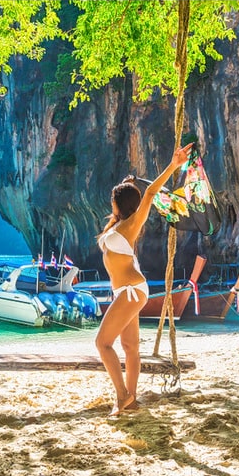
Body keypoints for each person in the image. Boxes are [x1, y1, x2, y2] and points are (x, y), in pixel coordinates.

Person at [95, 143, 193, 416]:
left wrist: (173, 165)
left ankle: (122, 396)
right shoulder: (117, 225)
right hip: (127, 292)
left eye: (114, 201)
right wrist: (127, 185)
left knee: (102, 343)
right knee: (130, 348)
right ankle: (132, 400)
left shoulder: (131, 225)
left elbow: (150, 193)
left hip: (130, 291)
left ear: (118, 204)